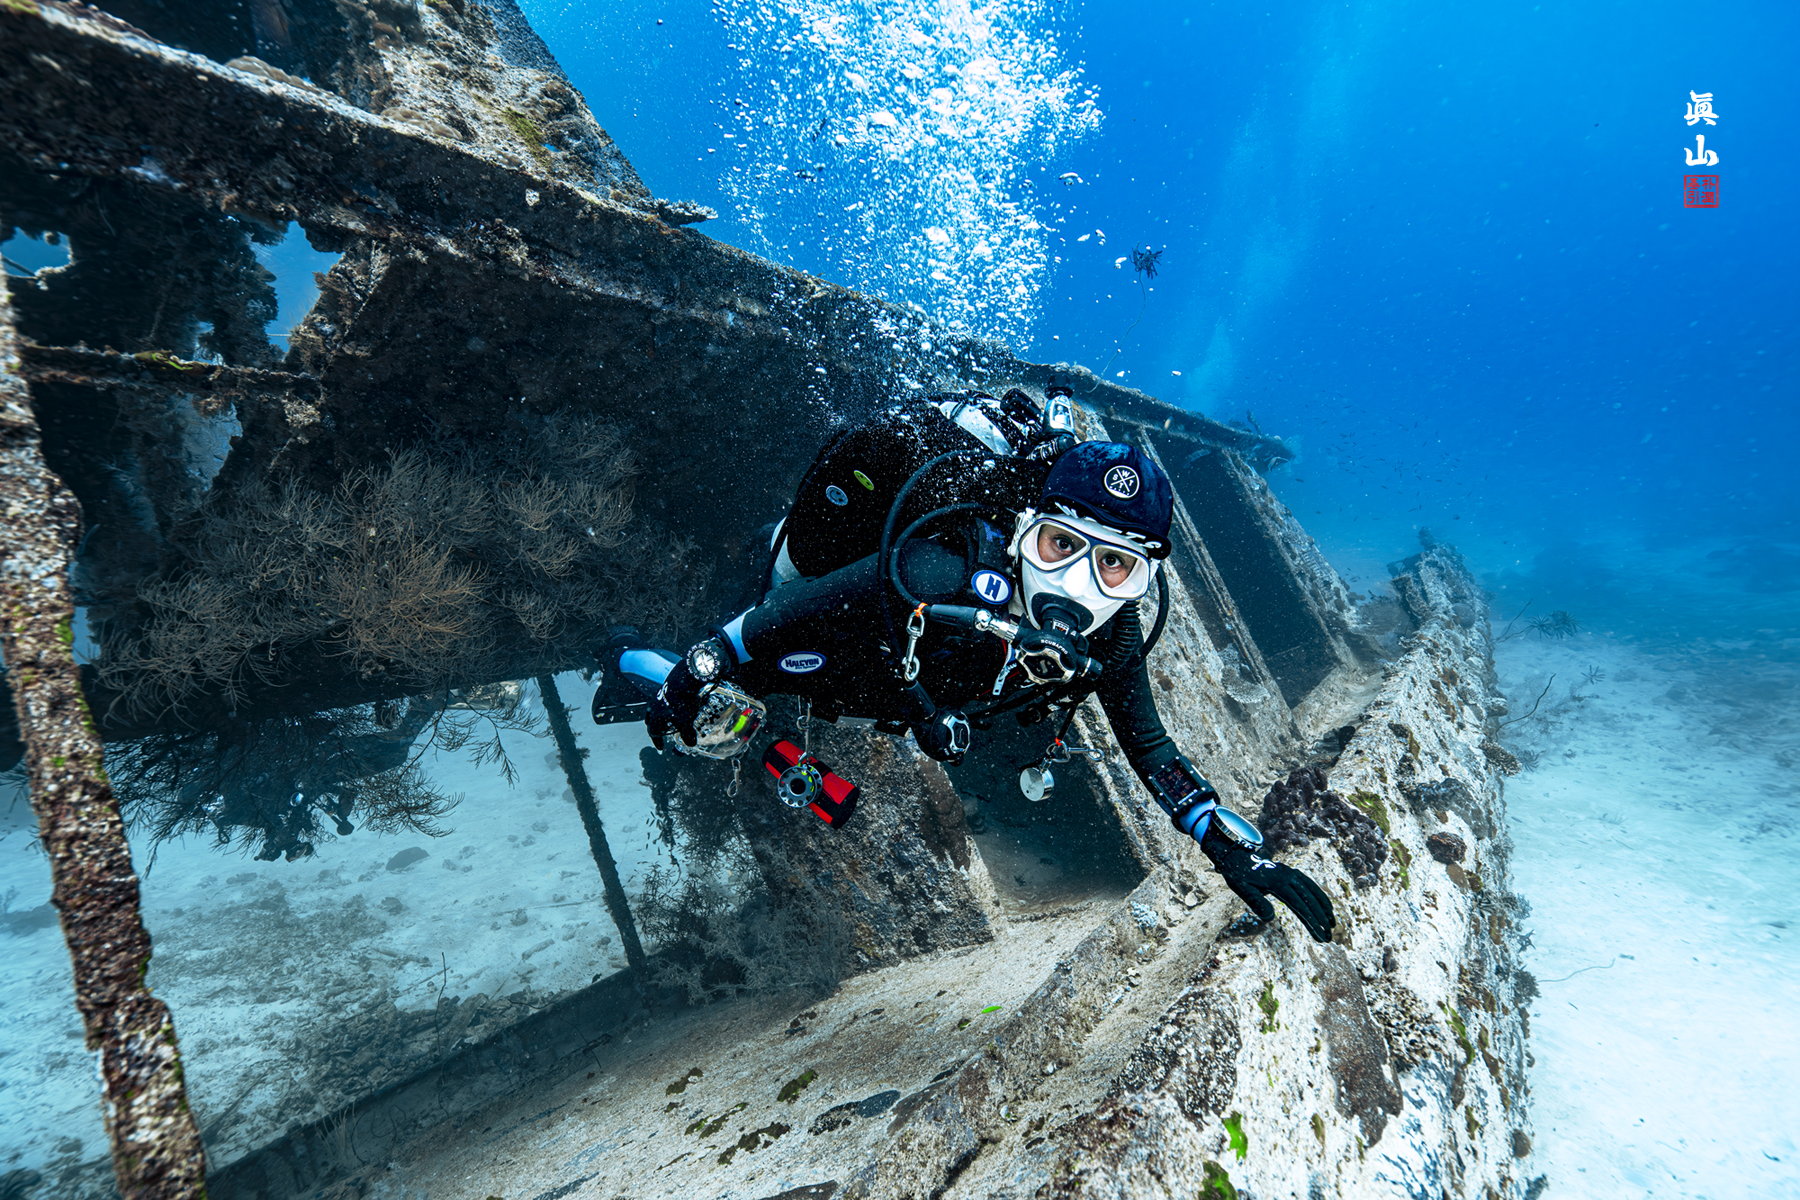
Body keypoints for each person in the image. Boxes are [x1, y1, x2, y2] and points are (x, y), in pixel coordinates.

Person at [607, 380, 1335, 943]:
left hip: (912, 686)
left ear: (1142, 581)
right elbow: (771, 623)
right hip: (845, 645)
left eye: (1115, 566)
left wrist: (1229, 846)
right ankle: (631, 653)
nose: (1077, 585)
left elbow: (1149, 746)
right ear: (1024, 532)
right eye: (1061, 546)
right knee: (722, 713)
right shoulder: (937, 570)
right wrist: (698, 668)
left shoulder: (1115, 632)